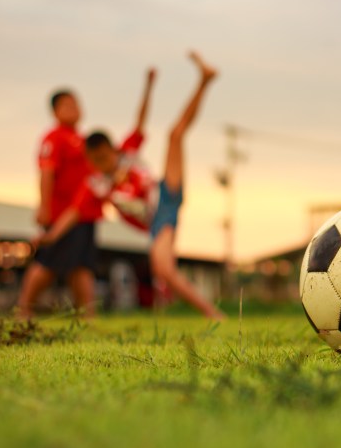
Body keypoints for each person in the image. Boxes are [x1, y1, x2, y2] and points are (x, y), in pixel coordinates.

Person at [37, 51, 225, 320]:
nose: (103, 164)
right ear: (90, 160)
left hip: (164, 194)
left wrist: (149, 86)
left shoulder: (127, 151)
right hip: (156, 219)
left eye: (106, 157)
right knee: (164, 271)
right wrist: (52, 235)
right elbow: (74, 213)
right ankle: (211, 312)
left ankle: (204, 80)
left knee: (175, 135)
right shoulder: (97, 184)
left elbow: (140, 119)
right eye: (96, 161)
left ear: (112, 149)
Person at [17, 88, 103, 319]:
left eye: (76, 104)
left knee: (83, 265)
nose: (74, 109)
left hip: (84, 214)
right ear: (55, 112)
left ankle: (88, 315)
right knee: (48, 263)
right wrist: (44, 207)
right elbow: (47, 172)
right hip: (61, 215)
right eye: (67, 105)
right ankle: (24, 309)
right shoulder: (54, 138)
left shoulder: (83, 140)